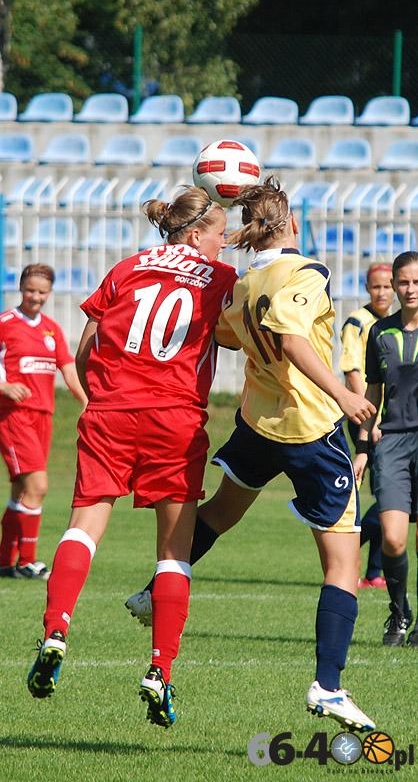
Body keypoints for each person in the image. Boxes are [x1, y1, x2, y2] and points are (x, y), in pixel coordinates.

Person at [126, 176, 377, 732]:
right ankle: (328, 686)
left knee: (220, 512)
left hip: (258, 424)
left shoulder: (243, 283)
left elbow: (230, 336)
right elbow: (290, 337)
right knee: (343, 564)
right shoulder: (307, 272)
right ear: (291, 224)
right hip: (311, 430)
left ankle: (153, 591)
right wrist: (345, 394)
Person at [26, 186, 237, 729]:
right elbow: (239, 336)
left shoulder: (127, 266)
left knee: (83, 527)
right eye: (219, 235)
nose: (224, 245)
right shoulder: (219, 279)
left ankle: (56, 629)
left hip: (111, 411)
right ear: (195, 235)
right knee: (173, 551)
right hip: (175, 418)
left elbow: (87, 344)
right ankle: (160, 670)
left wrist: (105, 394)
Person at [0, 264, 87, 580]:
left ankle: (4, 560)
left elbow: (67, 368)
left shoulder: (51, 328)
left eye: (41, 292)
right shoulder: (5, 323)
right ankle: (28, 560)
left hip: (43, 416)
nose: (35, 297)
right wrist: (4, 386)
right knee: (38, 485)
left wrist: (87, 402)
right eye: (30, 290)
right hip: (13, 416)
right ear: (21, 288)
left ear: (49, 294)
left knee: (20, 489)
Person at [354, 250, 418, 648]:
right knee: (393, 538)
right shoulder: (380, 332)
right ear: (393, 286)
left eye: (417, 282)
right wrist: (362, 449)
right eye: (404, 282)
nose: (411, 289)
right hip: (392, 443)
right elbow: (371, 397)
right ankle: (399, 611)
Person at [339, 262, 394, 588]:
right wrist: (370, 419)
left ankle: (374, 573)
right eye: (377, 287)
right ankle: (345, 553)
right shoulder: (358, 323)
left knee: (385, 495)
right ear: (367, 288)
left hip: (393, 419)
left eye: (388, 286)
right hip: (368, 419)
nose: (383, 292)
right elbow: (353, 373)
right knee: (386, 496)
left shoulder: (393, 323)